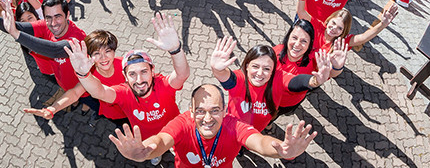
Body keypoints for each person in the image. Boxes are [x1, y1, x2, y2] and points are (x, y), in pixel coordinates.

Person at [65, 13, 189, 165]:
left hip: (176, 130)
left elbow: (182, 75)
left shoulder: (162, 84)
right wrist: (83, 74)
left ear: (152, 71)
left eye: (144, 71)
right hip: (147, 138)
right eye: (132, 74)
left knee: (182, 150)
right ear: (125, 75)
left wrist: (175, 50)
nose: (139, 80)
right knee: (153, 151)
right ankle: (157, 154)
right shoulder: (124, 92)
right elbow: (100, 92)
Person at [108, 84, 318, 167]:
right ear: (191, 111)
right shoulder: (182, 123)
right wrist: (144, 151)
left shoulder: (234, 126)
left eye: (214, 110)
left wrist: (281, 150)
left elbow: (259, 141)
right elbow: (162, 140)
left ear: (225, 111)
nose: (207, 118)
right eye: (200, 111)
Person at [0, 0, 95, 113]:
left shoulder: (77, 38)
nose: (53, 23)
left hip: (83, 88)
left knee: (89, 102)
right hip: (64, 83)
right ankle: (76, 101)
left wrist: (16, 34)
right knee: (72, 97)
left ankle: (87, 106)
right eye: (48, 17)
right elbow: (19, 27)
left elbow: (54, 50)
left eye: (58, 16)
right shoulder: (45, 25)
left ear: (68, 15)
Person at [210, 36, 333, 132]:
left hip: (258, 129)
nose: (260, 73)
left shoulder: (278, 77)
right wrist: (217, 69)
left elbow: (296, 82)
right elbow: (228, 78)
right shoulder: (241, 78)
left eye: (267, 69)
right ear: (247, 66)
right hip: (235, 128)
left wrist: (315, 81)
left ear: (273, 70)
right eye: (255, 66)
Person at [14, 28, 129, 127]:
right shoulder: (90, 75)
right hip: (111, 111)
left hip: (131, 109)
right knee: (119, 123)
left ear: (114, 51)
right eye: (97, 53)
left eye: (107, 51)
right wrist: (53, 108)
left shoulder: (127, 66)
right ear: (90, 56)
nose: (103, 58)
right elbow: (74, 93)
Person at [297, 0, 400, 55]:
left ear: (343, 31)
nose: (334, 29)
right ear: (327, 21)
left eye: (340, 28)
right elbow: (301, 12)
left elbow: (363, 38)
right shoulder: (318, 27)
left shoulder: (342, 41)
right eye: (333, 23)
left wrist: (383, 24)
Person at [271, 19, 347, 115]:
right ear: (288, 37)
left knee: (277, 114)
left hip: (289, 102)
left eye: (304, 41)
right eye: (294, 38)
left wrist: (337, 67)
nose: (297, 44)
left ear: (309, 44)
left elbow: (329, 73)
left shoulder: (315, 57)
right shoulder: (275, 52)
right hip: (269, 98)